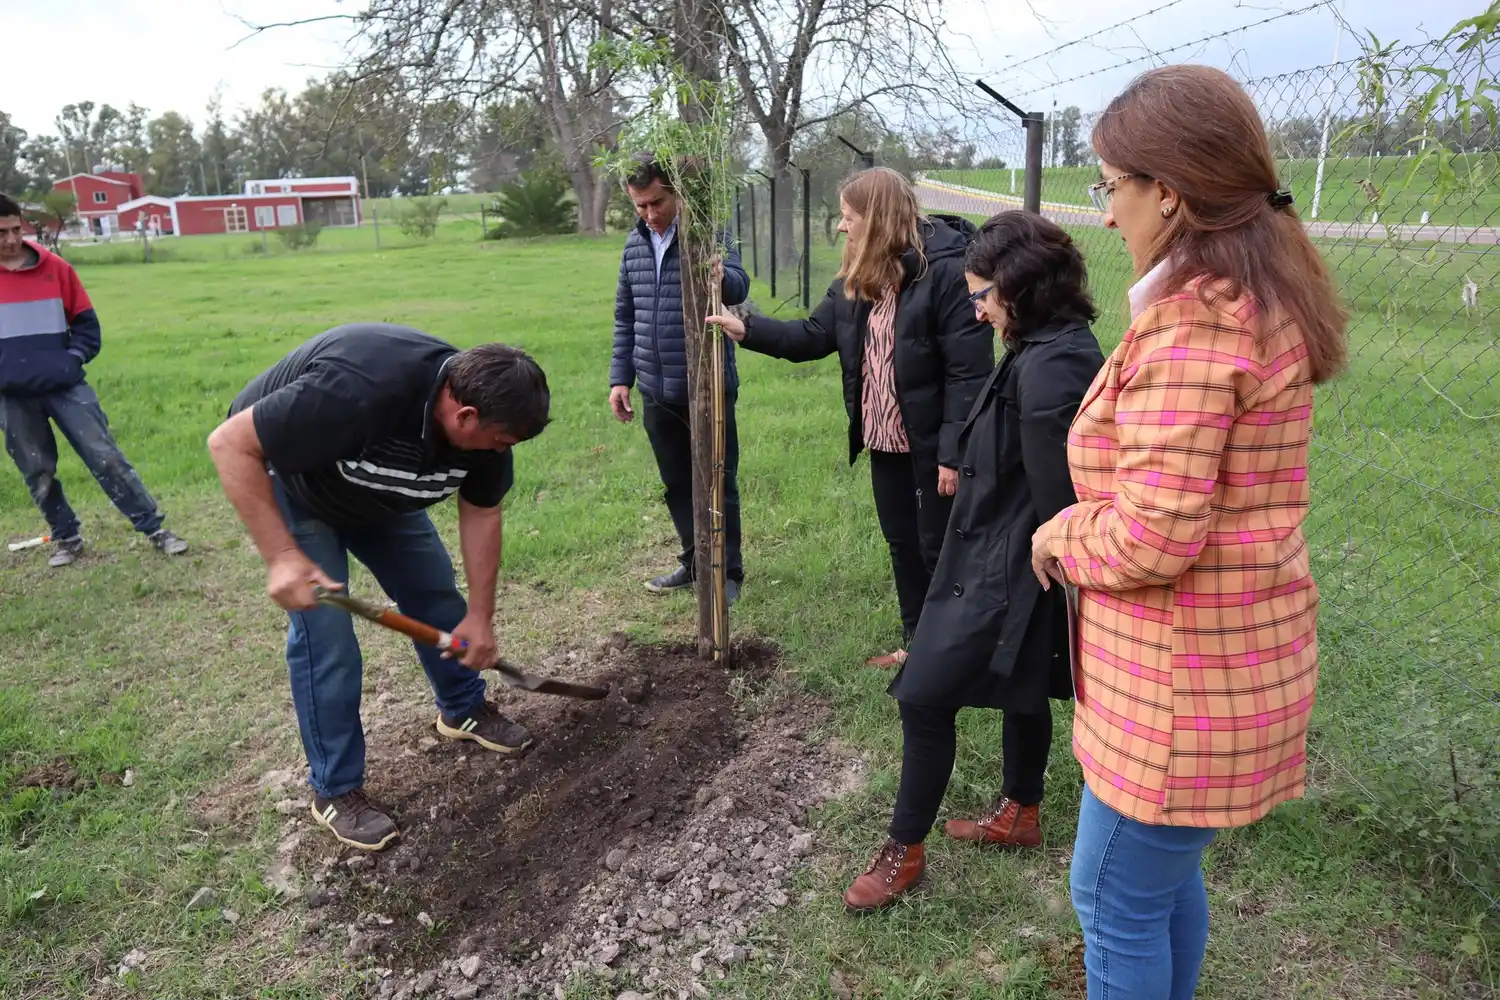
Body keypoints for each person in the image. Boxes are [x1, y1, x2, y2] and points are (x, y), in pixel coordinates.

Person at [1029, 65, 1348, 1000]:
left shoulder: (1196, 324)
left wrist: (1061, 535)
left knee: (1111, 896)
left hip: (1177, 692)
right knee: (1159, 890)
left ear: (1167, 192)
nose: (1105, 211)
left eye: (1111, 187)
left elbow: (1153, 536)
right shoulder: (1254, 295)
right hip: (1223, 665)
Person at [838, 211, 1105, 912]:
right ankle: (1021, 809)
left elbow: (1061, 499)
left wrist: (1033, 573)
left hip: (1006, 566)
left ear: (1021, 289)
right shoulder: (1045, 345)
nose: (977, 309)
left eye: (984, 294)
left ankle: (905, 851)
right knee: (1019, 688)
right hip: (994, 550)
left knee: (923, 697)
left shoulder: (1052, 367)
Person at [207, 324, 551, 852]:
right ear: (465, 416)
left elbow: (483, 514)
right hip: (296, 485)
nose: (503, 451)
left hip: (376, 489)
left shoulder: (486, 433)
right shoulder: (359, 390)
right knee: (328, 640)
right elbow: (229, 443)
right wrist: (281, 557)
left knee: (437, 596)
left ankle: (461, 707)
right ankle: (335, 790)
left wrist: (480, 616)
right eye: (500, 440)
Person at [708, 167, 993, 664]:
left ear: (877, 218)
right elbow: (814, 334)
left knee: (941, 550)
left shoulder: (946, 272)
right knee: (903, 544)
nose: (841, 227)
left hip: (932, 448)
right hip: (885, 442)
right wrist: (745, 328)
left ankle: (960, 655)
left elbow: (969, 374)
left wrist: (953, 454)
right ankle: (919, 649)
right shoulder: (859, 273)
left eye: (848, 217)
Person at [0, 192, 189, 567]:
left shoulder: (56, 269)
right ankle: (66, 537)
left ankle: (154, 528)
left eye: (15, 229)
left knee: (106, 458)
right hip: (12, 397)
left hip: (66, 387)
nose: (10, 239)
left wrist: (70, 361)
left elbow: (87, 328)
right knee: (37, 470)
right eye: (1, 233)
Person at [611, 157, 750, 603]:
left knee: (717, 479)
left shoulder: (706, 234)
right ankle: (694, 562)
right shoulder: (634, 245)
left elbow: (740, 286)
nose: (650, 215)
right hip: (656, 387)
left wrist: (719, 275)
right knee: (676, 481)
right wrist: (621, 378)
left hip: (707, 384)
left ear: (677, 193)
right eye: (640, 207)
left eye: (657, 203)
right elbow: (625, 315)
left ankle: (727, 572)